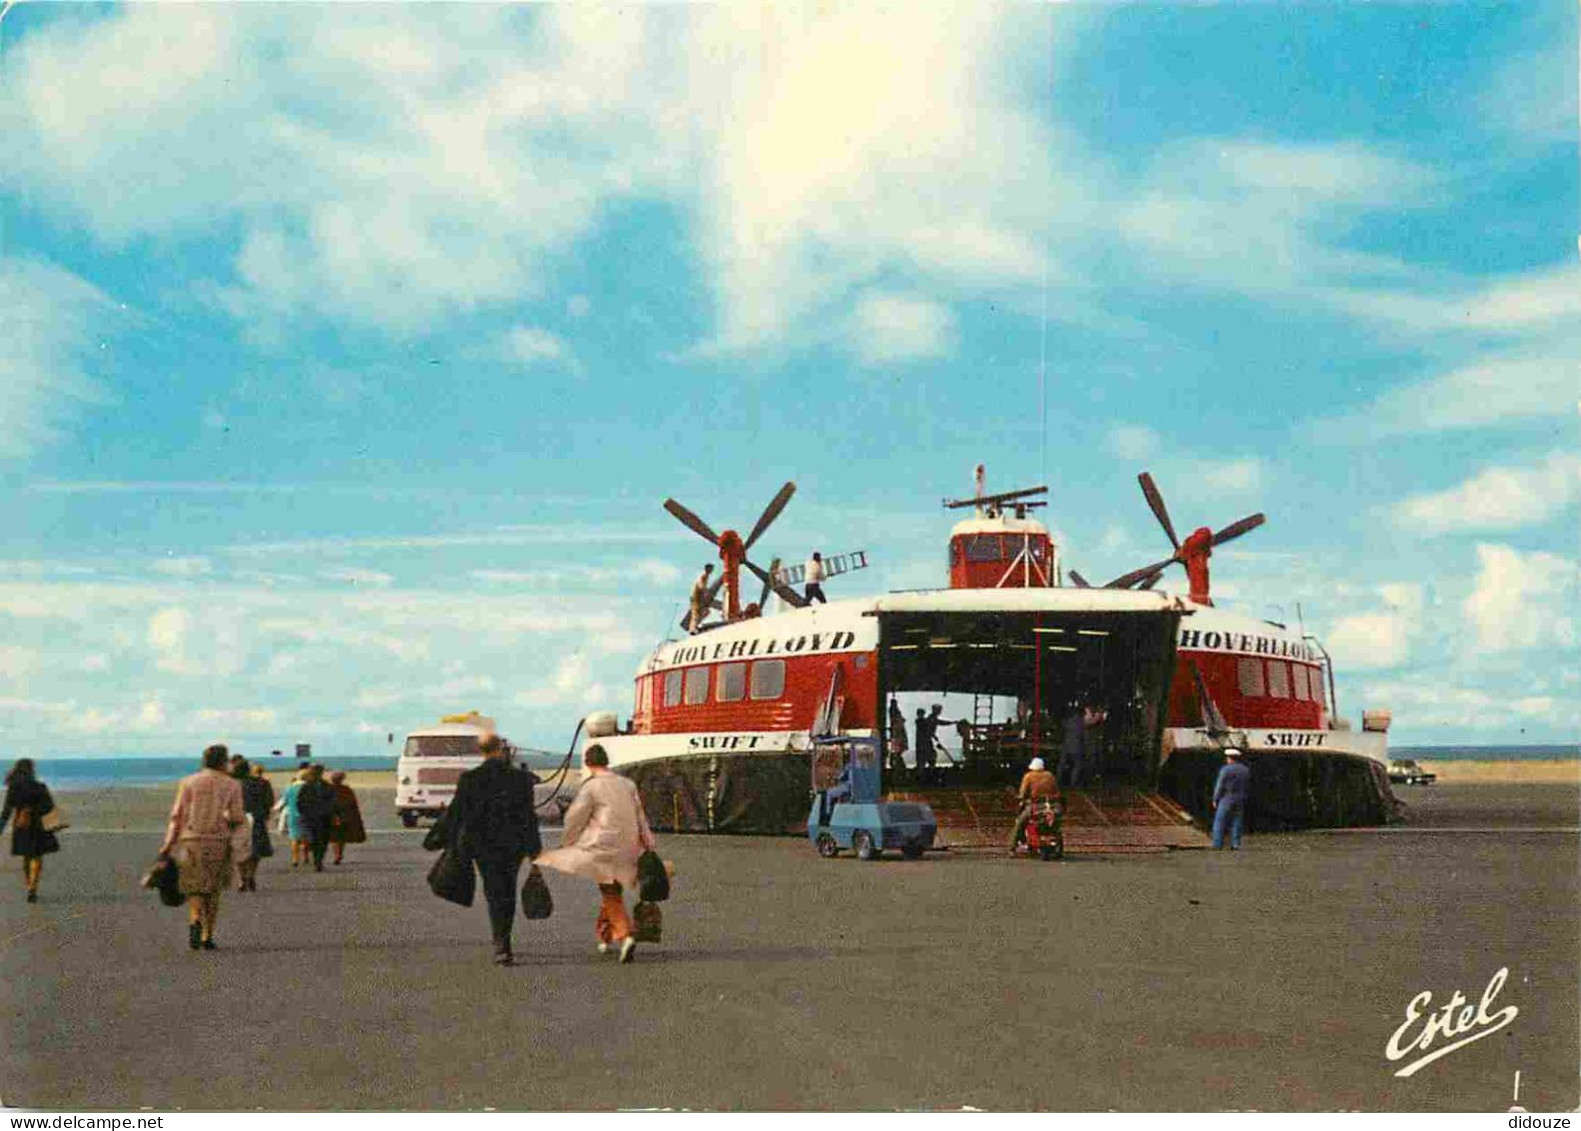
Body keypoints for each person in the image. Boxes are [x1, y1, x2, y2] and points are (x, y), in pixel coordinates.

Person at [536, 743, 657, 965]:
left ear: (589, 764)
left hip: (602, 847)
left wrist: (568, 841)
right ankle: (605, 935)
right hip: (629, 845)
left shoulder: (590, 787)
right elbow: (640, 815)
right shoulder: (628, 784)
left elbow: (575, 817)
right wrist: (649, 843)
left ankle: (625, 935)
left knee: (609, 890)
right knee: (613, 888)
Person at [445, 733, 542, 966]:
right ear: (501, 748)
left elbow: (457, 814)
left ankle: (501, 942)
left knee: (493, 891)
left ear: (482, 750)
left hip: (483, 846)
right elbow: (528, 817)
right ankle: (503, 939)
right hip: (513, 845)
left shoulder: (469, 779)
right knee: (507, 891)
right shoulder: (520, 779)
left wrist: (446, 841)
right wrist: (534, 851)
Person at [159, 744, 246, 950]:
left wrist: (168, 844)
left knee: (194, 887)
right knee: (213, 890)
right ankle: (208, 935)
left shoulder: (188, 782)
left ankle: (195, 917)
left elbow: (177, 815)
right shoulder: (232, 785)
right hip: (218, 840)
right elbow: (237, 816)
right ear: (223, 761)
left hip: (191, 839)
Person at [1, 760, 59, 903]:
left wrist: (1, 827)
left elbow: (7, 810)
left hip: (21, 825)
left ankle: (29, 884)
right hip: (38, 825)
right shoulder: (40, 786)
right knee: (37, 856)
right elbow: (48, 806)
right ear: (31, 770)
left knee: (26, 856)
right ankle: (33, 886)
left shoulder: (13, 787)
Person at [235, 758, 275, 892]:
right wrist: (265, 813)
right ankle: (251, 875)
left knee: (238, 849)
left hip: (238, 819)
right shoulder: (263, 783)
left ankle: (241, 878)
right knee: (255, 850)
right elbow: (269, 801)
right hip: (257, 818)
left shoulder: (233, 784)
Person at [1009, 757, 1062, 852]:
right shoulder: (1050, 775)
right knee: (1056, 825)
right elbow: (1057, 791)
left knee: (1019, 823)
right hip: (1052, 806)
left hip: (1035, 806)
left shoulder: (1028, 776)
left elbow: (1022, 794)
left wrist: (1020, 798)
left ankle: (1012, 847)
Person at [297, 765, 338, 872]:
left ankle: (318, 860)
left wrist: (333, 814)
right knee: (313, 840)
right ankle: (317, 859)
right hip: (310, 818)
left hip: (325, 817)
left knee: (323, 840)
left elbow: (333, 802)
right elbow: (300, 802)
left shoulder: (328, 786)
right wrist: (304, 814)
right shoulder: (306, 786)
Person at [1212, 748, 1251, 850]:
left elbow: (1220, 785)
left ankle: (1217, 843)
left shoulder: (1225, 769)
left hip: (1227, 797)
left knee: (1220, 821)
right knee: (1237, 821)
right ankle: (1235, 844)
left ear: (1229, 758)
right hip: (1240, 798)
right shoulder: (1245, 770)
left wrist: (1215, 799)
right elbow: (1247, 785)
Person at [328, 771, 366, 865]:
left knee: (334, 837)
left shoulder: (328, 789)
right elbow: (352, 803)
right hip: (344, 816)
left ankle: (337, 854)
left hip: (333, 815)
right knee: (340, 837)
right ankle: (339, 854)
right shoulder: (346, 789)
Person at [278, 769, 309, 868]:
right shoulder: (309, 788)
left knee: (294, 837)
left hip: (292, 814)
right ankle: (306, 856)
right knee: (306, 837)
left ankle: (295, 858)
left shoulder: (290, 788)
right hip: (307, 815)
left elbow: (284, 801)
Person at [689, 564, 714, 633]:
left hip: (699, 598)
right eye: (711, 569)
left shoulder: (706, 576)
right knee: (696, 614)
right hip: (696, 598)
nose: (712, 570)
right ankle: (693, 629)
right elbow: (700, 585)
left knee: (704, 612)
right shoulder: (703, 576)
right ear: (707, 569)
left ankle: (694, 627)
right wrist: (706, 592)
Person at [886, 698, 908, 773]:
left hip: (897, 736)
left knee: (896, 755)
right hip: (897, 736)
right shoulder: (894, 712)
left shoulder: (894, 712)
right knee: (896, 755)